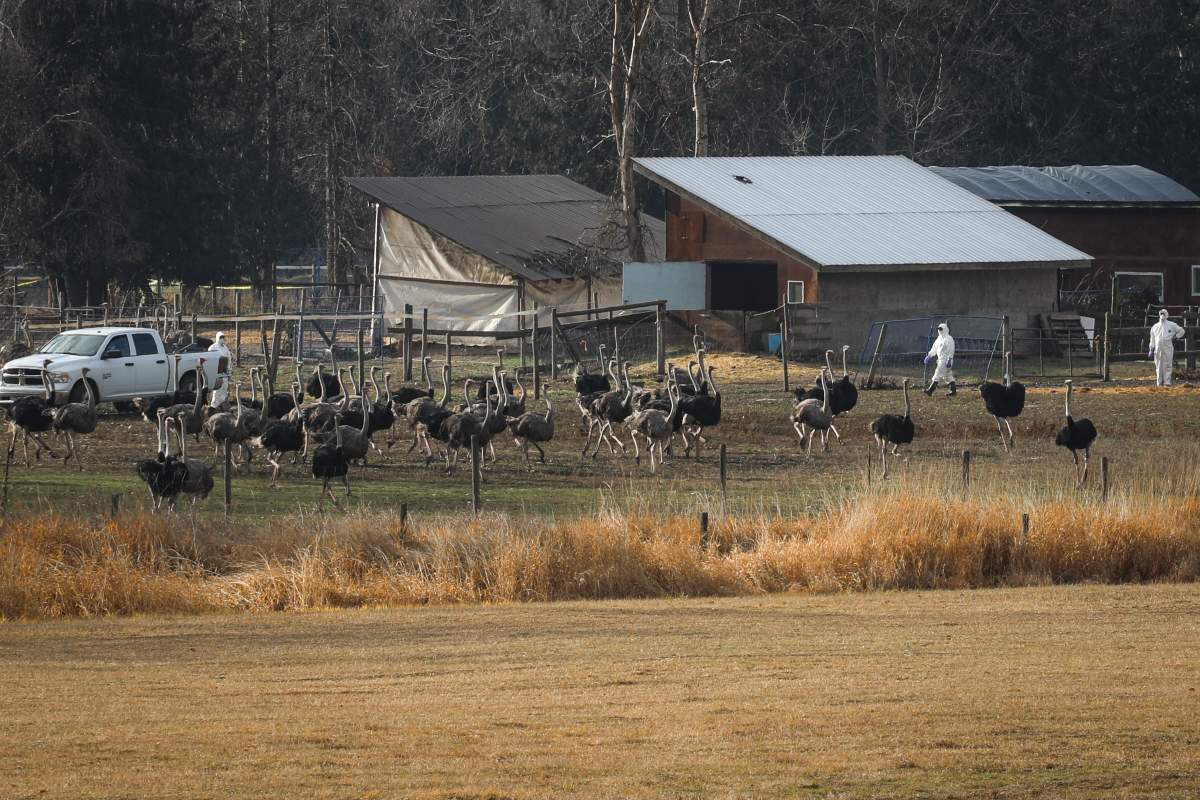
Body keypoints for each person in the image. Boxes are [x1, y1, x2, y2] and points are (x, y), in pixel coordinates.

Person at [1148, 309, 1185, 387]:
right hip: (1158, 349)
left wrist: (1176, 337)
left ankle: (1167, 382)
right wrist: (1151, 349)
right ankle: (1159, 383)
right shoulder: (1155, 327)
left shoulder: (1172, 325)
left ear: (1167, 315)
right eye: (1161, 313)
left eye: (1164, 314)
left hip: (1168, 347)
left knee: (1167, 364)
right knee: (1158, 365)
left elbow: (1181, 331)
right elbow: (1152, 339)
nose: (1162, 315)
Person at [923, 322, 956, 396]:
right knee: (947, 376)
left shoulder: (948, 338)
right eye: (939, 329)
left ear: (945, 329)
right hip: (941, 359)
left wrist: (949, 359)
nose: (940, 330)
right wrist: (929, 355)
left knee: (937, 374)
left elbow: (951, 349)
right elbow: (934, 348)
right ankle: (953, 391)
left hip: (946, 360)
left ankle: (930, 391)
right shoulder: (938, 339)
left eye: (941, 329)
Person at [207, 331, 233, 407]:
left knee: (224, 388)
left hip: (225, 372)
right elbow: (210, 360)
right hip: (217, 372)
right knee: (217, 390)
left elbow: (229, 360)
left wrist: (229, 371)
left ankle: (222, 404)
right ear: (217, 338)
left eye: (223, 337)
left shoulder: (225, 348)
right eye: (220, 337)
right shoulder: (212, 347)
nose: (222, 339)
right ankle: (214, 406)